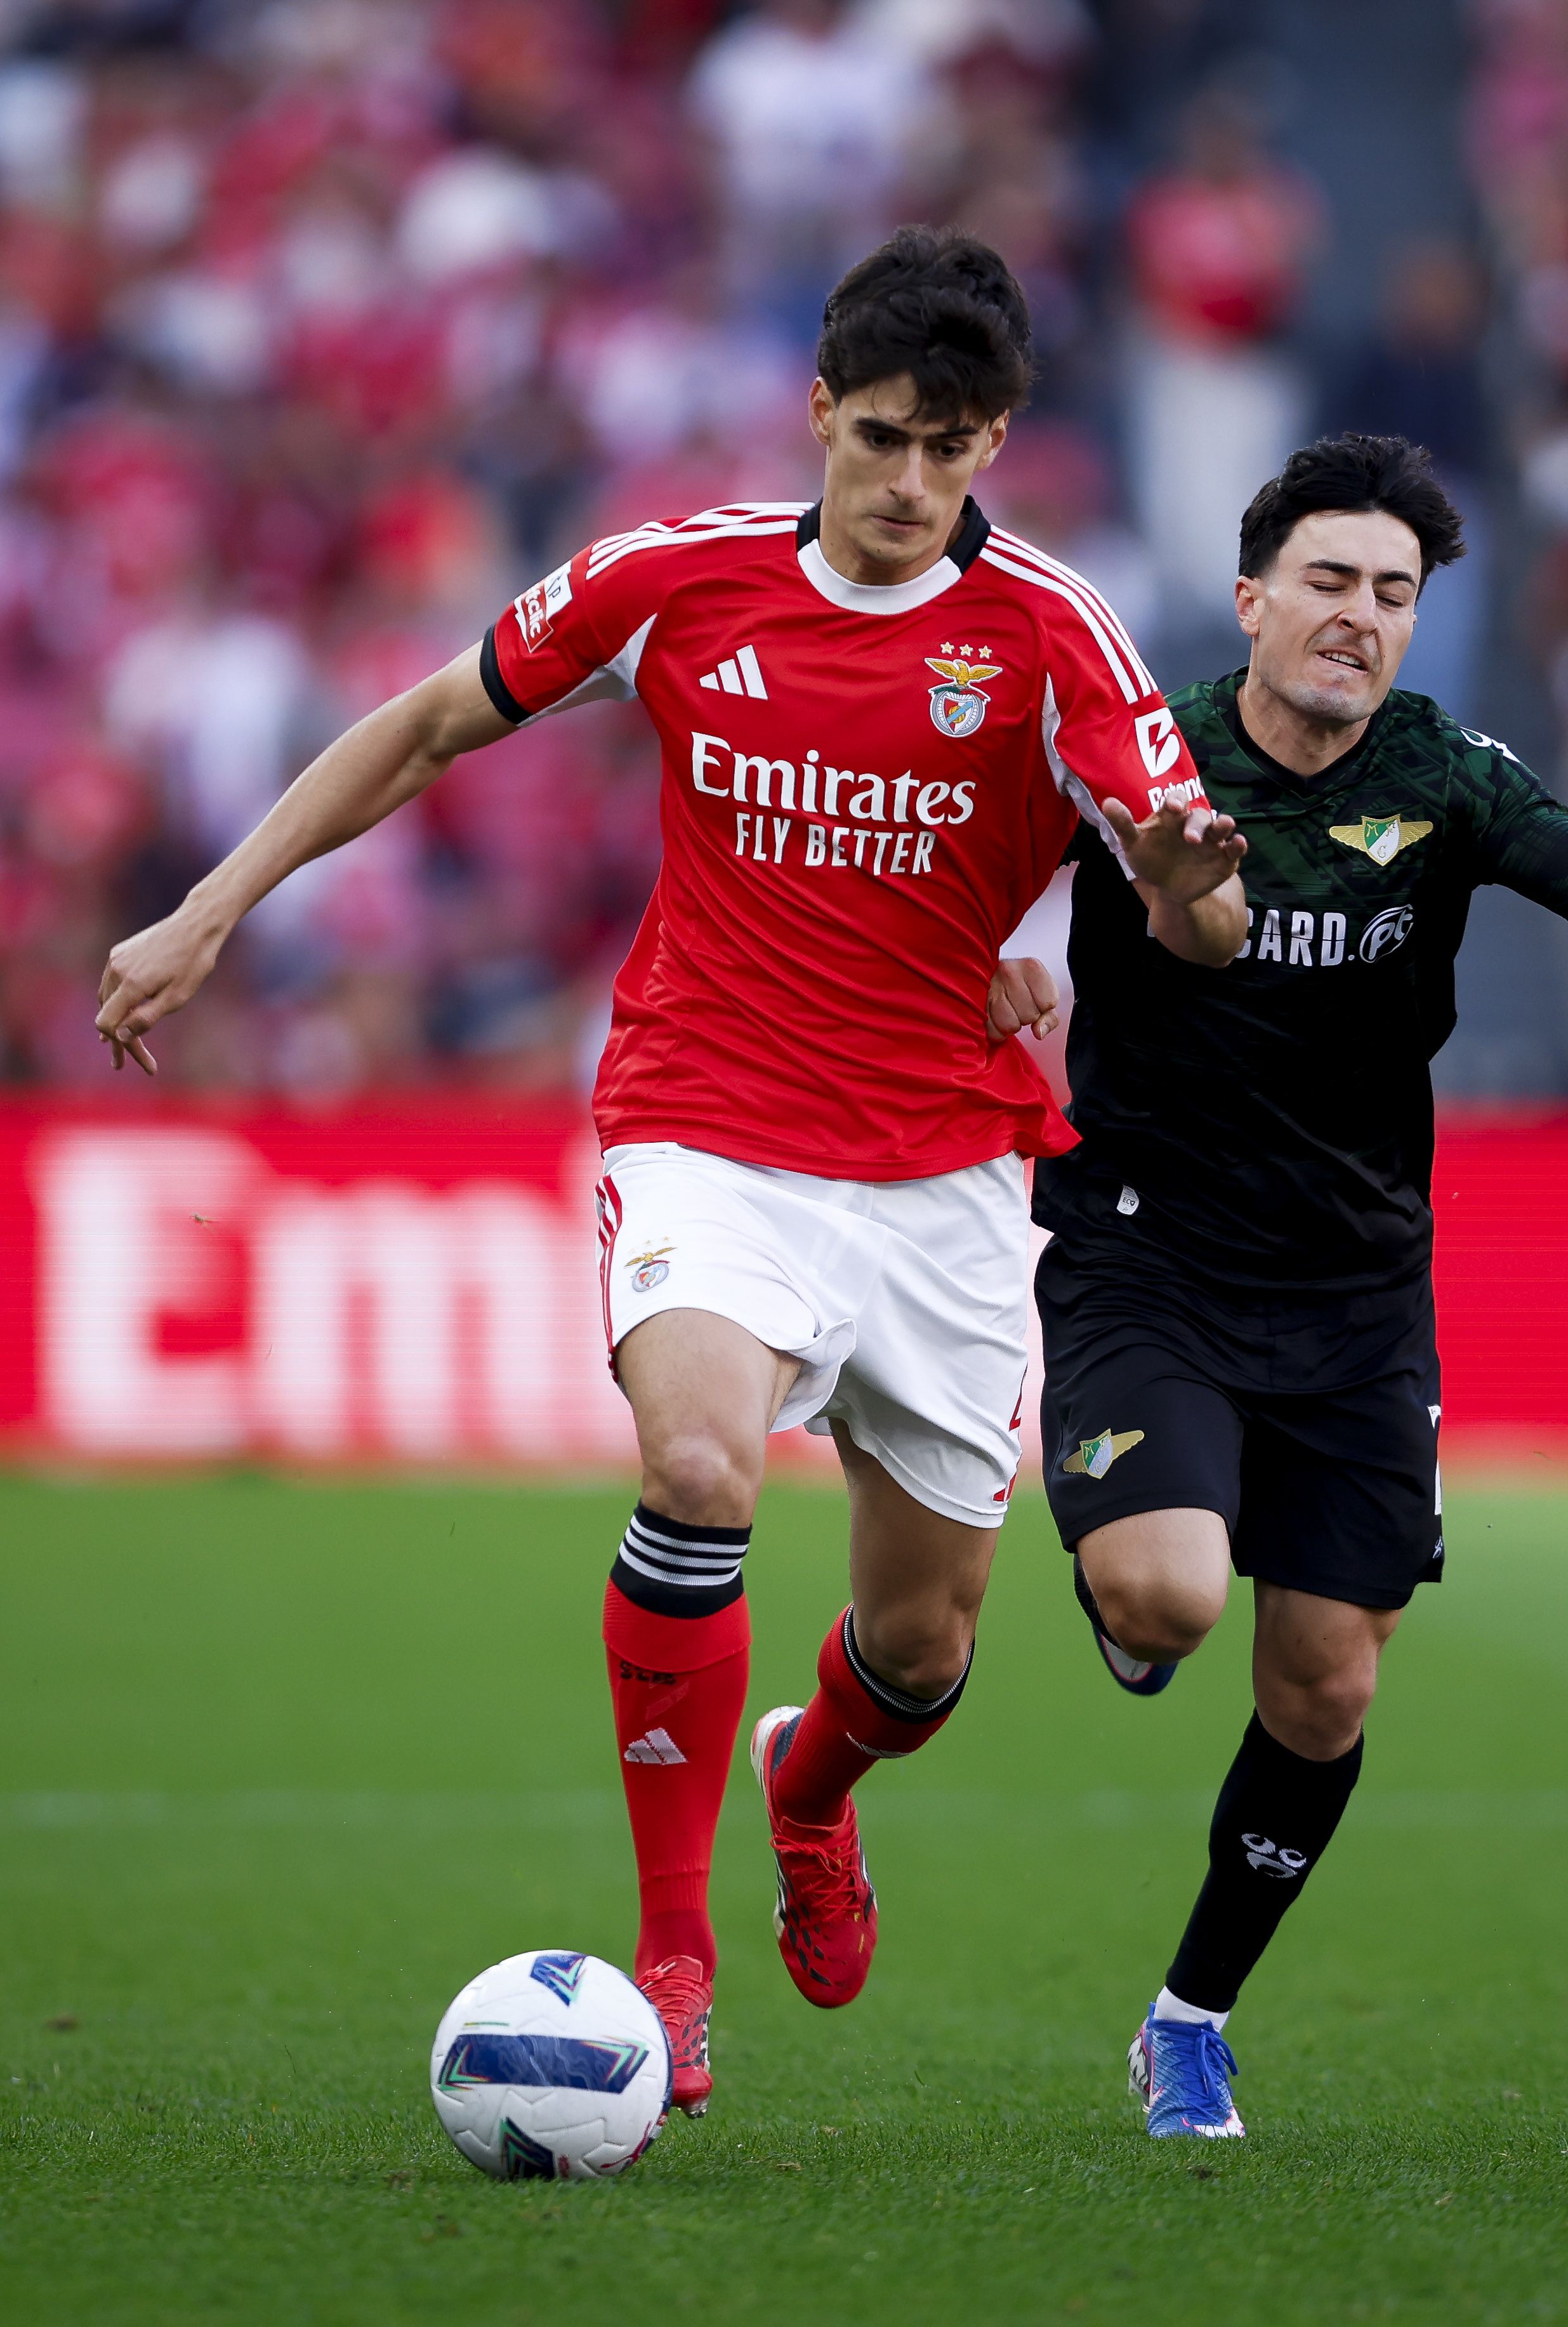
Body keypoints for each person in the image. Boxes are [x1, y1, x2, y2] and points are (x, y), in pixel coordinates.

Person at [91, 229, 1249, 2121]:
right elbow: (425, 724)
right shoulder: (672, 577)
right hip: (707, 1120)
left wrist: (1193, 885)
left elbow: (1192, 918)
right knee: (697, 1465)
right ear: (816, 407)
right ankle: (670, 1949)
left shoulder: (1054, 635)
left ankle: (812, 1786)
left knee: (924, 1636)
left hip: (947, 1175)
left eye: (948, 450)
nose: (904, 484)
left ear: (997, 442)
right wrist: (213, 908)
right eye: (878, 436)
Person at [1027, 435, 1568, 2139]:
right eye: (1327, 581)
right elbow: (970, 904)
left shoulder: (1446, 773)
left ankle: (1187, 2017)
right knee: (1167, 1593)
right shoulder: (1136, 753)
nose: (1358, 618)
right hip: (1146, 1246)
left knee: (1326, 1682)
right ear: (1250, 598)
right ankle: (1128, 1602)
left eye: (1392, 593)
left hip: (1356, 1289)